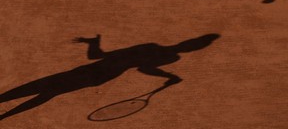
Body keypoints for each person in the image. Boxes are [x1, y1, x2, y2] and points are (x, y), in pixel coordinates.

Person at [0, 33, 220, 120]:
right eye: (195, 43)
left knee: (46, 89)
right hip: (97, 74)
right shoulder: (164, 54)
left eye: (195, 44)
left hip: (96, 73)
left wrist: (92, 45)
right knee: (44, 89)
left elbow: (101, 57)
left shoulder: (156, 49)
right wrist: (169, 76)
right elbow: (143, 68)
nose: (190, 46)